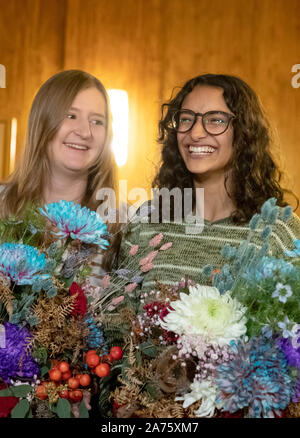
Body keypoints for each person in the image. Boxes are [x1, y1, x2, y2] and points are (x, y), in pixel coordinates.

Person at [116, 73, 300, 292]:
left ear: (244, 133)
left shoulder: (281, 231)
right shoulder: (146, 223)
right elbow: (115, 320)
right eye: (186, 118)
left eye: (215, 120)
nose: (195, 133)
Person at [0, 69, 120, 280]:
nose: (85, 132)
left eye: (97, 121)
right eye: (70, 115)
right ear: (42, 123)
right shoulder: (3, 204)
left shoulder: (118, 229)